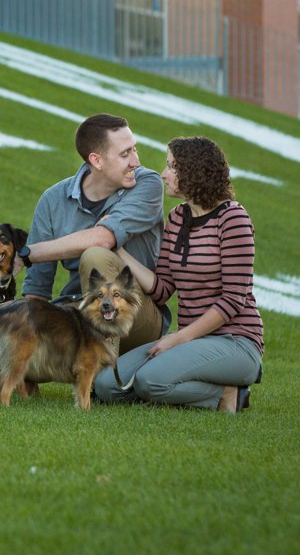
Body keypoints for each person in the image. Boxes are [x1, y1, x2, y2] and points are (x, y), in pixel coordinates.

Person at [93, 136, 264, 413]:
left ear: (193, 172)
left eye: (172, 166)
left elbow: (233, 299)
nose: (164, 174)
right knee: (106, 385)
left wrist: (178, 338)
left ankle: (227, 393)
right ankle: (189, 387)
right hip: (192, 341)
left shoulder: (233, 219)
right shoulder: (177, 218)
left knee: (150, 381)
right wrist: (119, 250)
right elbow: (162, 288)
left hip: (235, 341)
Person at [17, 113, 164, 309]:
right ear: (96, 161)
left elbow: (102, 239)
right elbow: (37, 289)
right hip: (76, 307)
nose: (135, 162)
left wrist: (25, 254)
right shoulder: (53, 200)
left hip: (136, 310)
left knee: (95, 255)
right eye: (125, 154)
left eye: (134, 150)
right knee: (4, 319)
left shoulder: (148, 184)